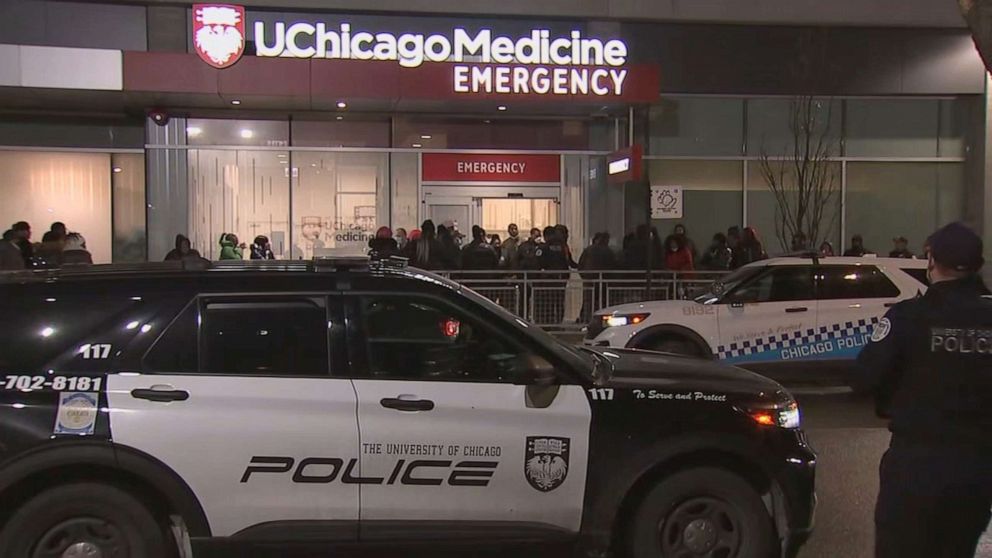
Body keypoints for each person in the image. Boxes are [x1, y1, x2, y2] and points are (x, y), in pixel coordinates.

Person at [852, 222, 992, 558]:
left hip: (915, 465)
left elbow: (864, 376)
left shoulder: (909, 317)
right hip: (977, 467)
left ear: (932, 262)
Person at [578, 232, 617, 322]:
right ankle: (601, 321)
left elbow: (581, 264)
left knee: (589, 302)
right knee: (603, 302)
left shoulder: (589, 250)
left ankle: (586, 320)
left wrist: (584, 275)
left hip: (589, 279)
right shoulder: (608, 251)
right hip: (603, 281)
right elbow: (613, 265)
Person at [537, 226, 571, 324]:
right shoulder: (562, 247)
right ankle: (558, 323)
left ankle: (549, 323)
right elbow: (568, 261)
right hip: (561, 279)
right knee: (559, 302)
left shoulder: (544, 247)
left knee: (548, 302)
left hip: (548, 280)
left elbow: (538, 262)